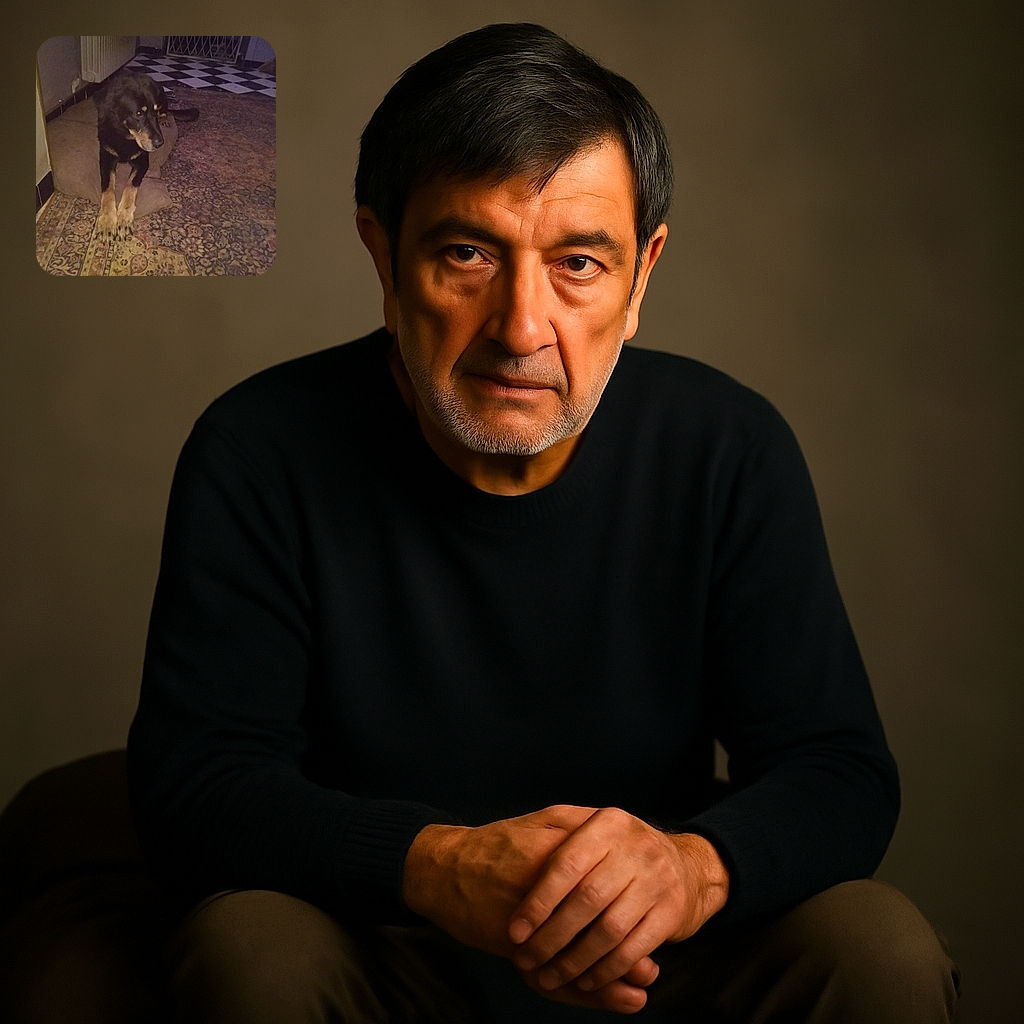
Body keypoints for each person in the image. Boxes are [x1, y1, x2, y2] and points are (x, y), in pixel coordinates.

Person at [127, 22, 959, 1022]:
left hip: (657, 964)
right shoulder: (259, 450)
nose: (522, 328)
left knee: (877, 945)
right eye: (467, 253)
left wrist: (689, 871)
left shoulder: (727, 448)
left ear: (642, 275)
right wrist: (439, 865)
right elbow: (198, 783)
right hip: (383, 951)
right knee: (248, 950)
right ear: (383, 257)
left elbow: (839, 770)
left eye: (577, 263)